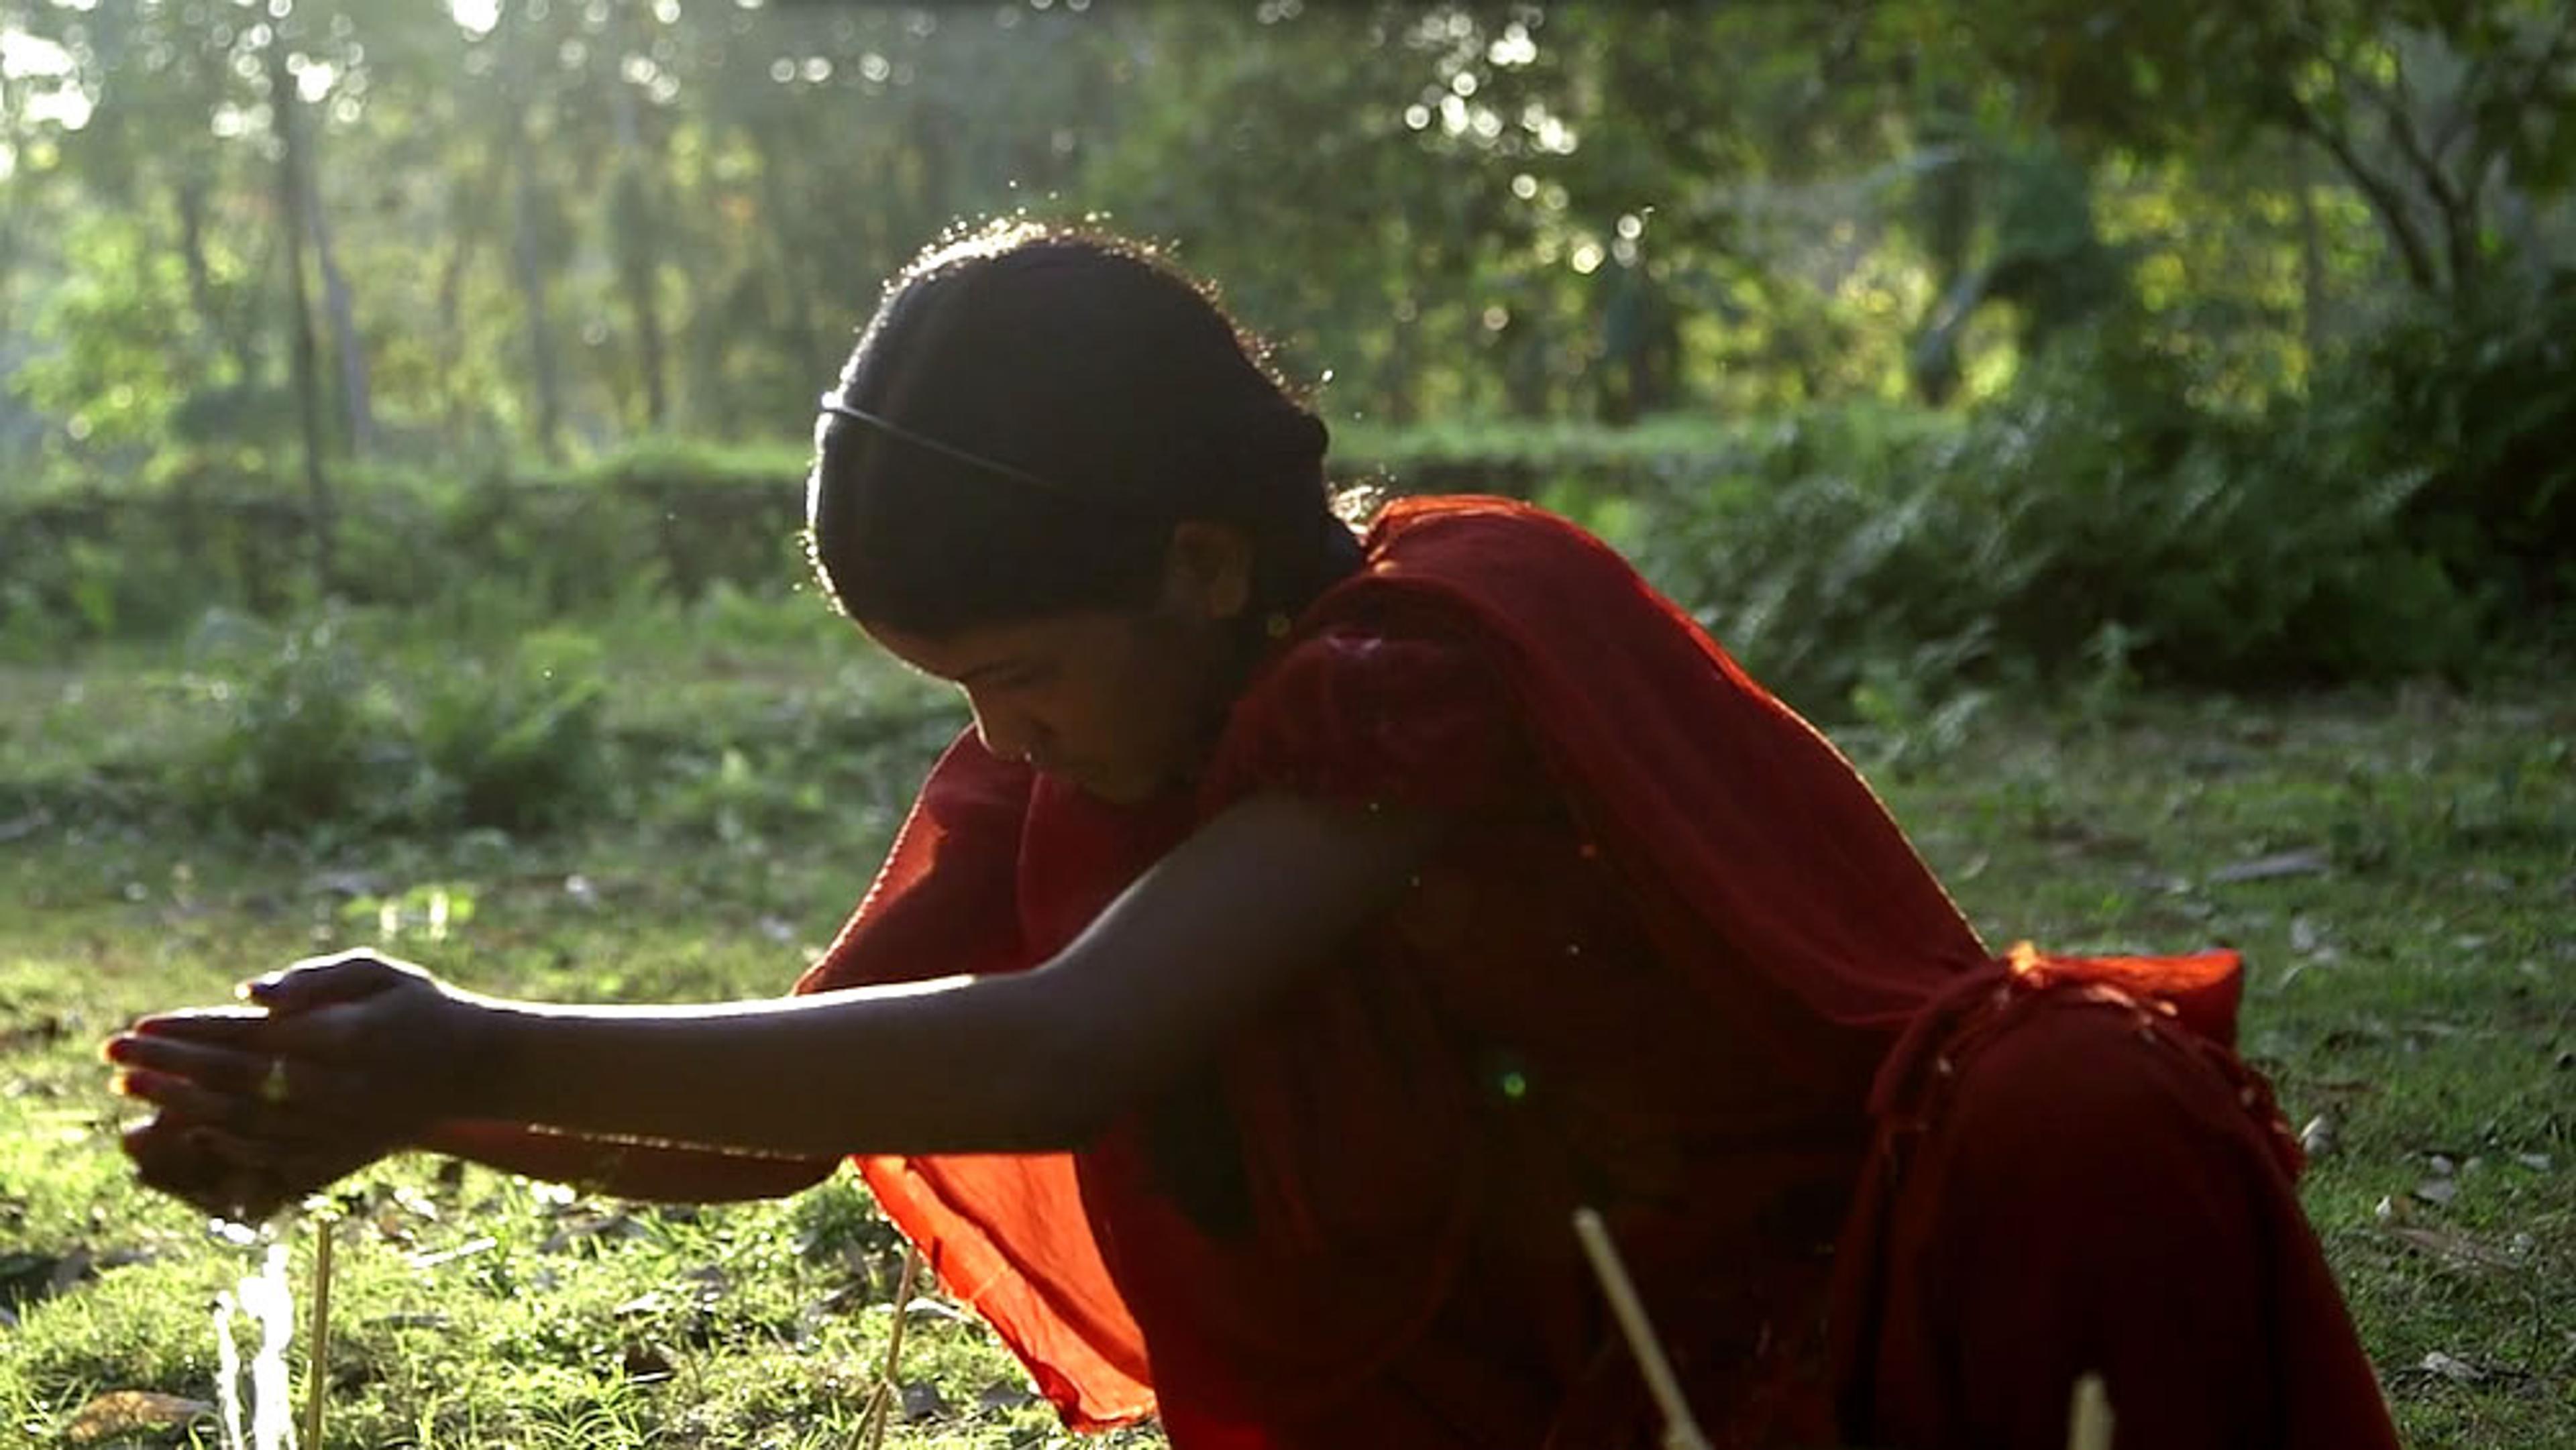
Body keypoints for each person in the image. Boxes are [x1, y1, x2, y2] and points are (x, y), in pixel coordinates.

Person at [107, 223, 2402, 1450]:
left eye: (1020, 673)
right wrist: (405, 1106)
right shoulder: (1089, 750)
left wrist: (466, 1035)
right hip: (1545, 1385)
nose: (998, 738)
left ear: (1204, 563)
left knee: (2076, 1110)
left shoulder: (1432, 652)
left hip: (1862, 1323)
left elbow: (1062, 1049)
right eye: (958, 696)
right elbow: (792, 1114)